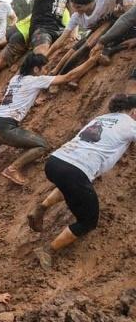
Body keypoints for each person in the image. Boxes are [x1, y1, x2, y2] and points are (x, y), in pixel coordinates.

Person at [0, 52, 100, 192]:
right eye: (44, 68)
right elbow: (68, 77)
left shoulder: (16, 78)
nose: (46, 71)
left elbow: (19, 97)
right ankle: (13, 168)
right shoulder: (35, 80)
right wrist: (92, 60)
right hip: (6, 128)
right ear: (36, 69)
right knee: (42, 145)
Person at [29, 94, 136, 269]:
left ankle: (42, 207)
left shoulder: (101, 118)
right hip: (76, 170)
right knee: (88, 221)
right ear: (134, 111)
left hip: (55, 162)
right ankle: (47, 250)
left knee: (71, 186)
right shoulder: (131, 125)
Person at [47, 0, 122, 79]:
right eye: (73, 7)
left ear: (91, 2)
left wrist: (121, 7)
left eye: (79, 7)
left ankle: (61, 75)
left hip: (113, 23)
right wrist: (46, 55)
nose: (75, 10)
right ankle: (56, 69)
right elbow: (62, 38)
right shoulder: (76, 17)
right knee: (73, 49)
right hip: (94, 32)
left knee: (86, 46)